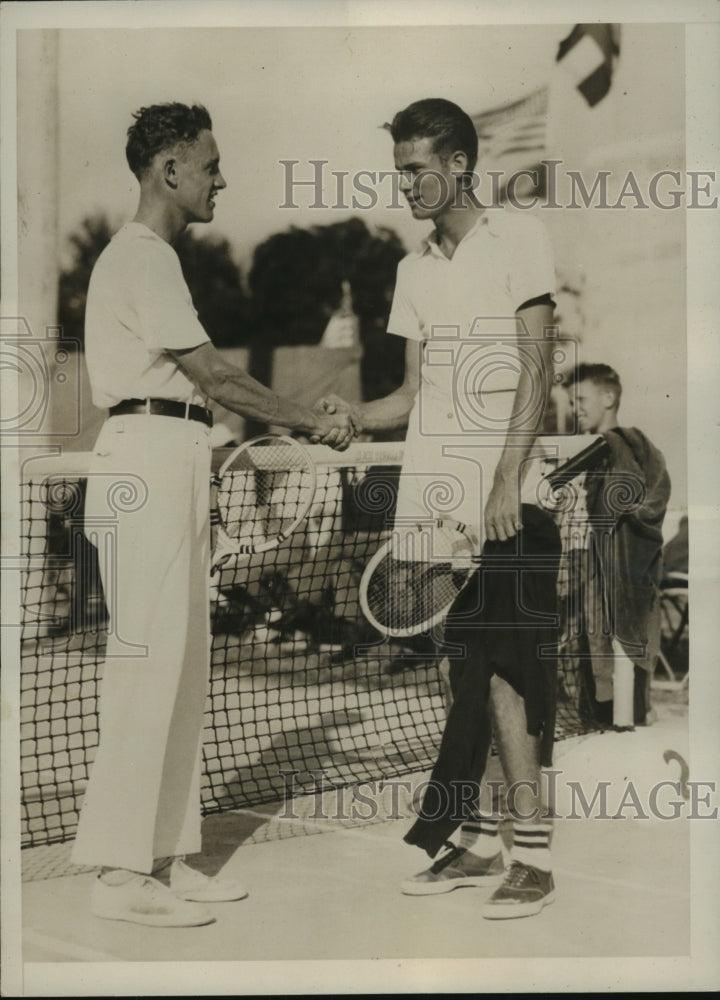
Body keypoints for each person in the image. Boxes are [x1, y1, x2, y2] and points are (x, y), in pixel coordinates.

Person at [72, 102, 353, 927]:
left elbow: (210, 395)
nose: (222, 178)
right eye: (211, 164)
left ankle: (163, 857)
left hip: (175, 461)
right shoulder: (142, 256)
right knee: (144, 674)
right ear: (170, 170)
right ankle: (118, 878)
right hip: (146, 464)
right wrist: (314, 421)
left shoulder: (157, 260)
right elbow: (221, 381)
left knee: (183, 675)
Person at [322, 98, 562, 918]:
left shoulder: (520, 240)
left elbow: (535, 374)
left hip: (509, 496)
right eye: (400, 172)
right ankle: (481, 840)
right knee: (467, 673)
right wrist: (352, 418)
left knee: (508, 676)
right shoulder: (412, 269)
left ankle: (533, 858)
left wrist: (504, 479)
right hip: (435, 500)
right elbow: (410, 395)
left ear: (460, 163)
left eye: (418, 169)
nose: (408, 185)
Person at [561, 363, 671, 727]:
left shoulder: (624, 445)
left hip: (619, 568)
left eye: (581, 399)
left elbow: (646, 497)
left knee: (622, 658)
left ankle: (625, 725)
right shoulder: (585, 450)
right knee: (589, 657)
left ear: (608, 398)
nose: (575, 408)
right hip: (586, 568)